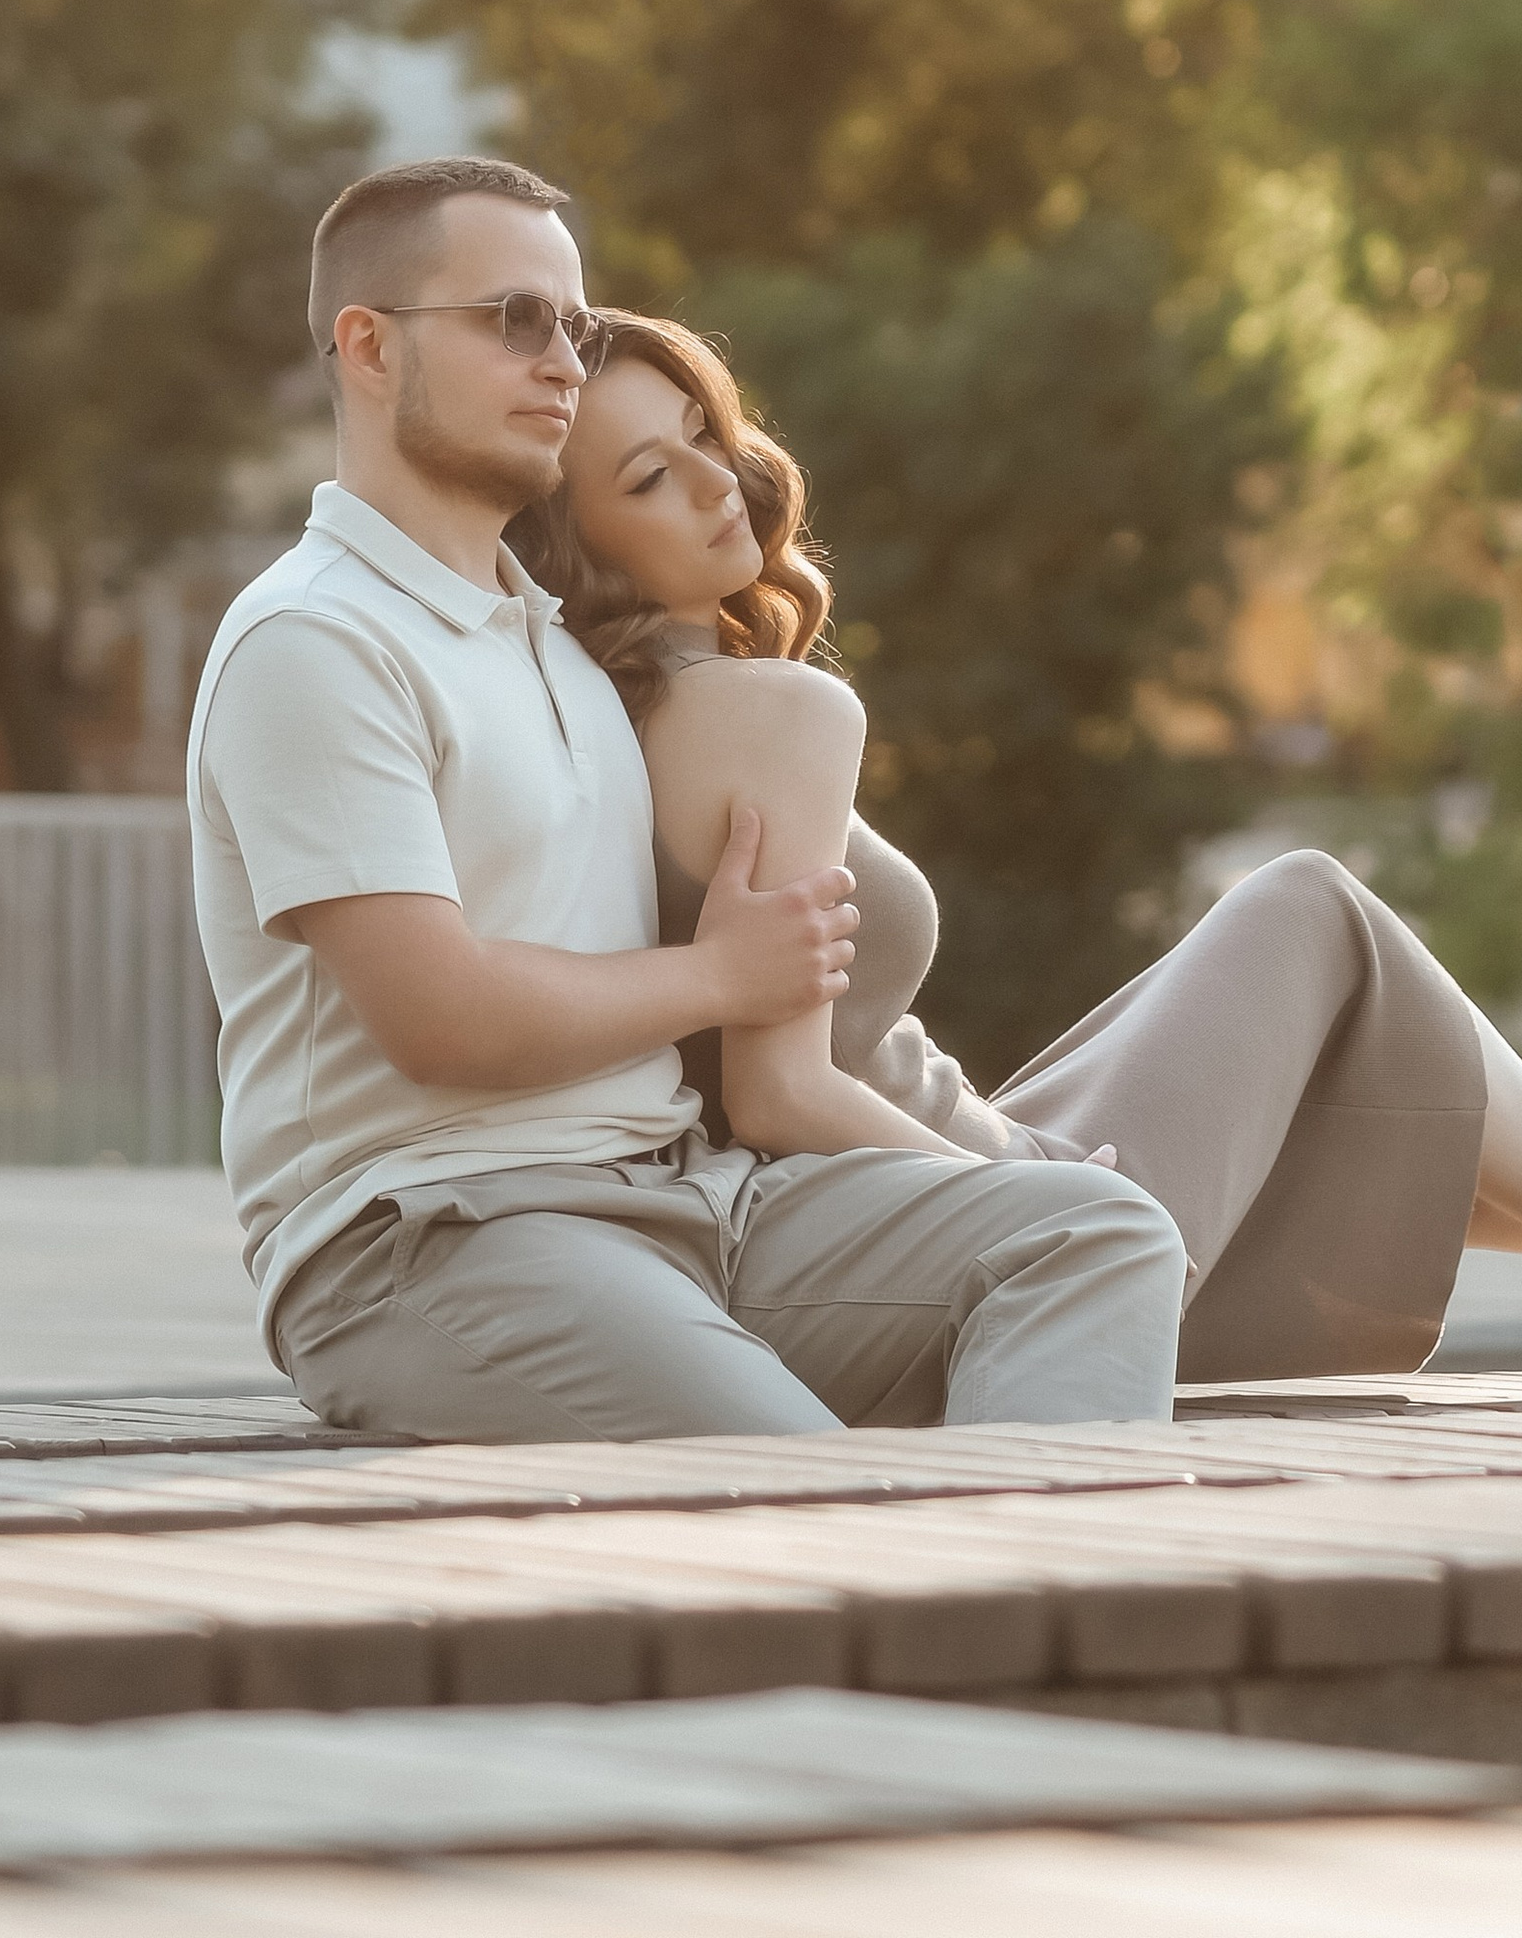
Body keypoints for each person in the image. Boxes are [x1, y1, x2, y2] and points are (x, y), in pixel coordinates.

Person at [516, 310, 1522, 1397]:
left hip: (941, 1154)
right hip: (966, 1199)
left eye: (703, 429)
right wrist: (1045, 1205)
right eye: (649, 477)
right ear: (579, 549)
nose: (716, 481)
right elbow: (777, 1089)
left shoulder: (592, 718)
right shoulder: (766, 711)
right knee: (1312, 909)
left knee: (1332, 1055)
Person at [185, 155, 1188, 1441]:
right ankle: (993, 1557)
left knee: (1094, 1230)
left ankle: (1018, 1557)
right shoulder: (315, 641)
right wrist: (721, 978)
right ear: (369, 347)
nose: (563, 363)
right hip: (432, 1239)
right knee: (790, 1478)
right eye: (515, 319)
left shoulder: (549, 642)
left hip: (693, 1203)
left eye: (573, 324)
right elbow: (440, 1019)